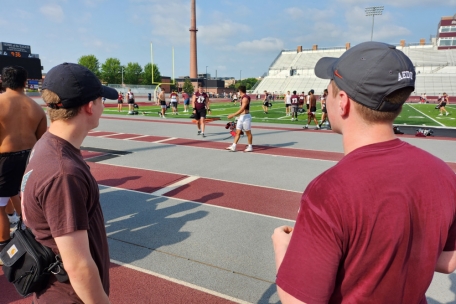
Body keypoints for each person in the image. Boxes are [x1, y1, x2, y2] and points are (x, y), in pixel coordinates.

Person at [272, 41, 456, 304]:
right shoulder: (443, 173)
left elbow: (299, 300)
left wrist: (283, 248)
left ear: (343, 103)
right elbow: (448, 261)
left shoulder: (329, 190)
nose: (325, 97)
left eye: (329, 91)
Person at [21, 62, 117, 303]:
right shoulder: (64, 172)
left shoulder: (48, 144)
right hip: (70, 297)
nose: (102, 106)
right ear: (88, 106)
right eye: (100, 100)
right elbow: (78, 266)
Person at [0, 66, 47, 263]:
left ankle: (3, 245)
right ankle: (29, 234)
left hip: (3, 158)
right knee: (22, 196)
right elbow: (42, 140)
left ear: (3, 80)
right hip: (28, 157)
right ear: (25, 82)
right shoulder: (36, 107)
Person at [226, 85, 253, 152]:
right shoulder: (243, 97)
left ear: (240, 91)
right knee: (237, 132)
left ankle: (250, 146)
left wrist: (233, 115)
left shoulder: (245, 98)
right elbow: (241, 111)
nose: (238, 92)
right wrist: (239, 116)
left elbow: (242, 109)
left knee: (248, 133)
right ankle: (234, 146)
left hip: (246, 117)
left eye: (238, 91)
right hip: (242, 117)